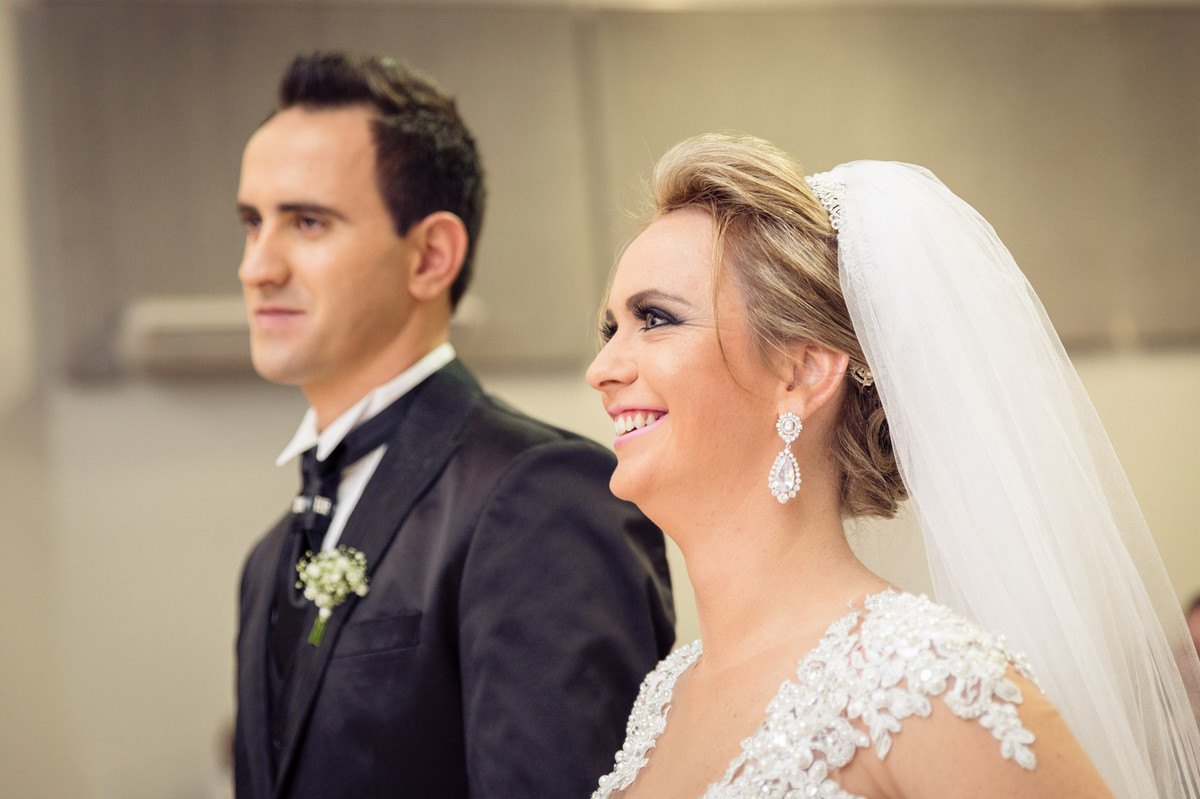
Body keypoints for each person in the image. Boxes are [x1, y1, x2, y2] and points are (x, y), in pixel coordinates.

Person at [586, 133, 1200, 798]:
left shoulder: (923, 683)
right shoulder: (666, 694)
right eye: (611, 329)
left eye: (655, 318)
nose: (602, 369)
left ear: (803, 372)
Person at [232, 52, 675, 799]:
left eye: (307, 222)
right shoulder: (265, 557)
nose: (257, 267)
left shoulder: (540, 496)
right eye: (252, 222)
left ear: (431, 256)